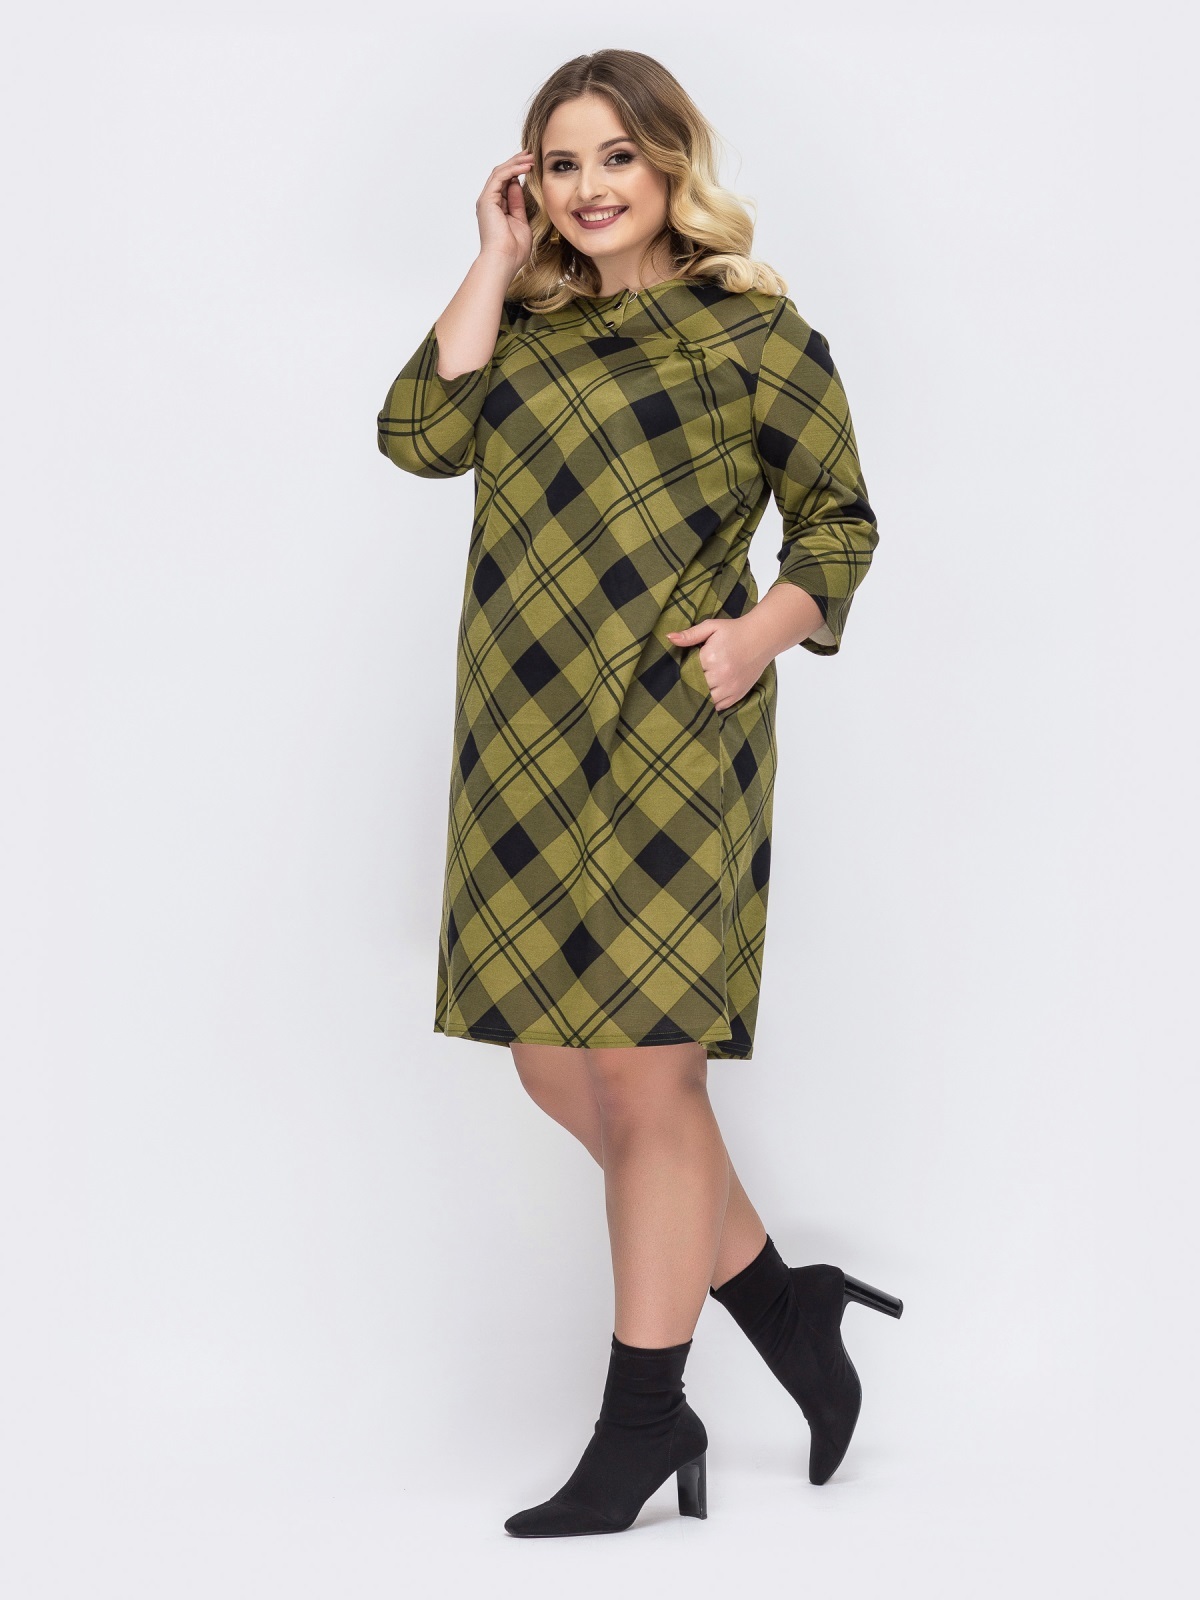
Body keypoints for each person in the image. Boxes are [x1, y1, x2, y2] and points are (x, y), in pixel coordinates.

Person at [377, 49, 902, 1538]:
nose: (590, 187)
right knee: (557, 1065)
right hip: (524, 741)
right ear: (529, 184)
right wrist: (493, 261)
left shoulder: (755, 334)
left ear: (672, 163)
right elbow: (417, 437)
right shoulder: (525, 330)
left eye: (617, 156)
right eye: (561, 164)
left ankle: (645, 1418)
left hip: (676, 732)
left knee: (650, 1080)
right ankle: (784, 1305)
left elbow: (841, 523)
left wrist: (758, 635)